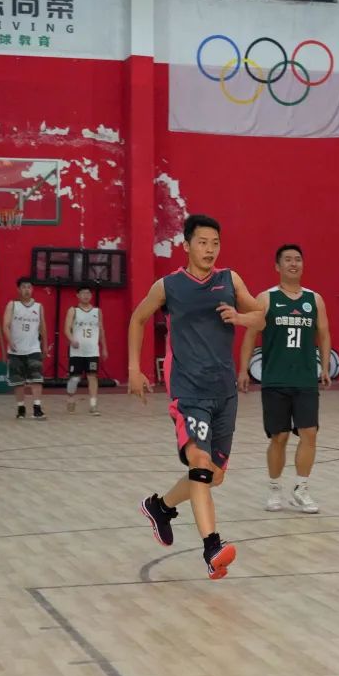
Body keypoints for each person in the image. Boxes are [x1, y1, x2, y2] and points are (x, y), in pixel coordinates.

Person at [130, 214, 265, 580]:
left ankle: (160, 507)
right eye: (202, 242)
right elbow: (138, 319)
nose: (209, 249)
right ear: (187, 245)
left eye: (215, 243)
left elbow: (260, 317)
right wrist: (133, 368)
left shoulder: (230, 280)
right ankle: (212, 548)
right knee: (200, 462)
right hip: (188, 392)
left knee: (213, 475)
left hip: (224, 393)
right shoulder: (168, 286)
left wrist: (241, 318)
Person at [239, 244, 331, 515]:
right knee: (279, 437)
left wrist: (325, 367)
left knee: (309, 433)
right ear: (277, 266)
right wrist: (243, 370)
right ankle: (274, 488)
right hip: (275, 380)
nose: (293, 263)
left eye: (298, 259)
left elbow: (324, 334)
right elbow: (250, 335)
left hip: (305, 379)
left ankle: (301, 489)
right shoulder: (266, 299)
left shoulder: (315, 299)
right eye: (288, 260)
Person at [3, 276, 49, 420]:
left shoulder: (38, 307)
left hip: (33, 348)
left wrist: (45, 345)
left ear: (32, 289)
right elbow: (5, 325)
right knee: (18, 381)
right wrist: (10, 341)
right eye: (23, 287)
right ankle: (21, 407)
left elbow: (43, 327)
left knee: (37, 379)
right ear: (18, 289)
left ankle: (37, 408)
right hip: (16, 350)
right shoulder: (12, 305)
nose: (26, 290)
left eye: (29, 287)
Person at [64, 285, 108, 415]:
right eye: (83, 293)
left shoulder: (97, 311)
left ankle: (93, 405)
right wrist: (72, 339)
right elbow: (66, 329)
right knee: (74, 378)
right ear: (78, 295)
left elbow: (101, 330)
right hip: (77, 351)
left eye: (88, 293)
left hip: (92, 351)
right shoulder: (73, 310)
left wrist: (104, 348)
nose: (86, 296)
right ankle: (70, 397)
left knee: (92, 376)